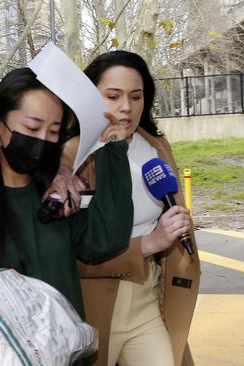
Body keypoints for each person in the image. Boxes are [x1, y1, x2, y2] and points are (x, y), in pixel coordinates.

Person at [0, 67, 135, 361]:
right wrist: (3, 299)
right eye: (32, 128)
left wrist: (113, 151)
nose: (43, 140)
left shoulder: (57, 195)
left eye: (54, 131)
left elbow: (104, 242)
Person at [60, 51, 200, 366]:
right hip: (92, 309)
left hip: (149, 300)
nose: (126, 107)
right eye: (113, 96)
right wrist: (148, 245)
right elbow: (67, 253)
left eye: (136, 97)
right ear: (88, 97)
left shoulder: (155, 146)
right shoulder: (73, 157)